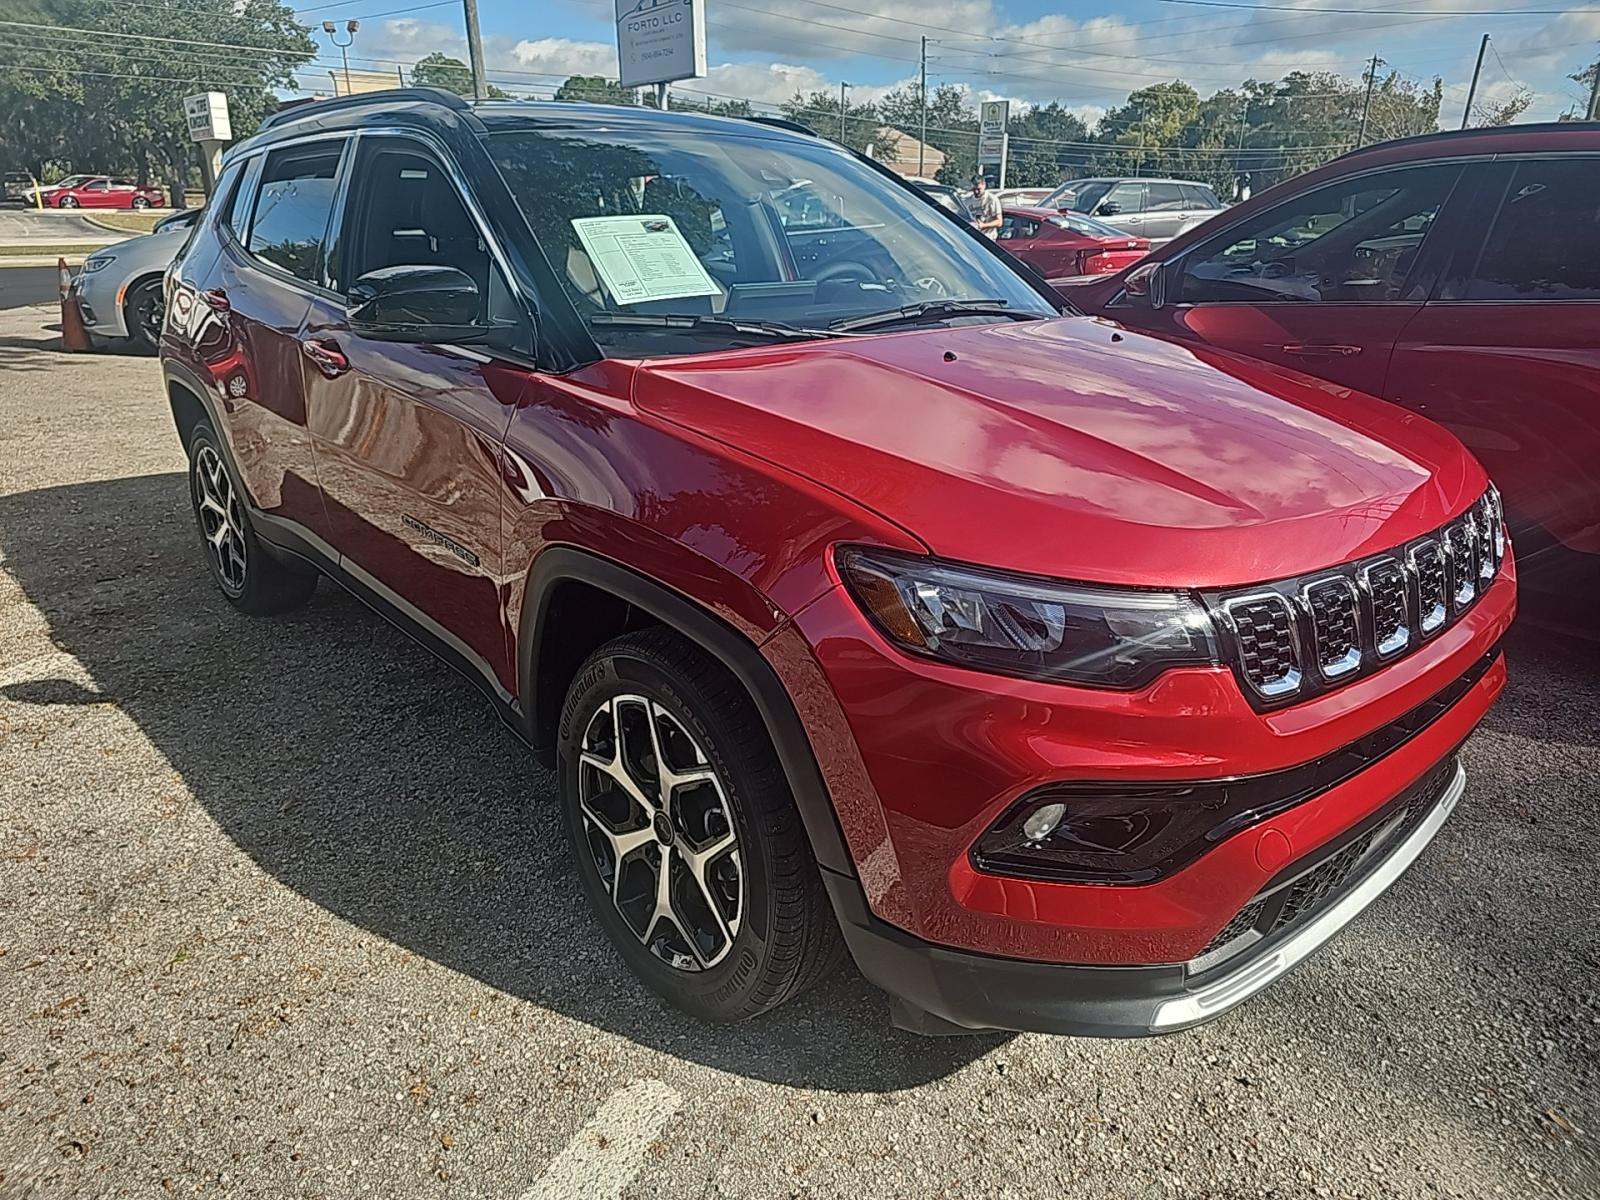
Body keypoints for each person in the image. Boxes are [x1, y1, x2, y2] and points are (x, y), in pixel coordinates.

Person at [964, 173, 1003, 239]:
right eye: (974, 189)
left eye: (979, 189)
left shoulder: (992, 200)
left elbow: (999, 222)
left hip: (988, 237)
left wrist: (984, 225)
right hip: (972, 238)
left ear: (984, 185)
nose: (976, 192)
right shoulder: (967, 201)